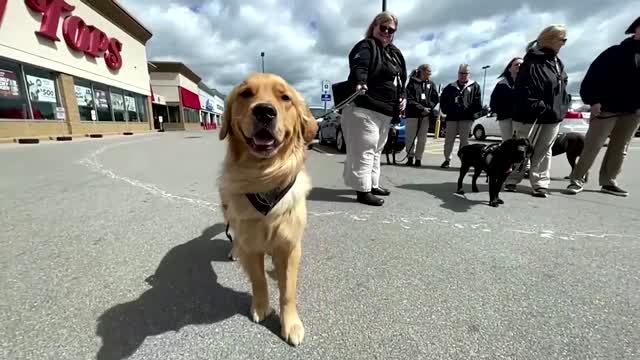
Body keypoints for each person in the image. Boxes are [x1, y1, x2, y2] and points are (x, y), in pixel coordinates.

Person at [565, 17, 640, 197]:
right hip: (606, 108)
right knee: (593, 145)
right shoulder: (614, 52)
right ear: (636, 29)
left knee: (620, 148)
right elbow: (592, 77)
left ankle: (608, 182)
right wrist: (593, 101)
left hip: (633, 112)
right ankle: (577, 179)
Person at [341, 11, 407, 206]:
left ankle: (372, 183)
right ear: (374, 27)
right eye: (383, 28)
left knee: (377, 149)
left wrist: (402, 96)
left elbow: (401, 78)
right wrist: (360, 82)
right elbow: (360, 66)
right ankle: (363, 190)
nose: (386, 32)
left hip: (385, 111)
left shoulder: (394, 53)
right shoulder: (366, 46)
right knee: (365, 150)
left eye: (391, 30)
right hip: (365, 107)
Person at [503, 25, 570, 198]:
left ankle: (540, 183)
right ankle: (512, 178)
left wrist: (563, 106)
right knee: (521, 149)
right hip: (530, 116)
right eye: (563, 40)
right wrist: (540, 107)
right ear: (552, 40)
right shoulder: (532, 61)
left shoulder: (557, 62)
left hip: (553, 116)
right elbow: (523, 90)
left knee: (544, 150)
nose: (564, 44)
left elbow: (562, 87)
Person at [439, 64, 483, 168]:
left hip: (466, 119)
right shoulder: (450, 87)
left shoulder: (475, 86)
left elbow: (478, 104)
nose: (463, 75)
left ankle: (465, 161)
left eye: (465, 73)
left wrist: (471, 112)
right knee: (449, 140)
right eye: (461, 73)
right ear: (458, 73)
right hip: (452, 118)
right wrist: (450, 107)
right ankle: (447, 159)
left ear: (469, 74)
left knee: (465, 142)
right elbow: (443, 102)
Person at [404, 64, 439, 167]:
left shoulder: (431, 84)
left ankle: (418, 158)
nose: (430, 74)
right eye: (428, 72)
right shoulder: (411, 83)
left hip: (425, 116)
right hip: (413, 115)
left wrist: (428, 108)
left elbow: (435, 98)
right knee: (410, 138)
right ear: (422, 72)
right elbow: (409, 99)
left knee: (422, 139)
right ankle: (410, 157)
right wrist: (421, 108)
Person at [489, 57, 524, 140]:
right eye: (516, 64)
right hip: (505, 118)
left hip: (521, 118)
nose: (519, 66)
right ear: (509, 68)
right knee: (506, 142)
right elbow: (493, 100)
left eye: (521, 65)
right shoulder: (501, 84)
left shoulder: (527, 83)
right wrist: (498, 111)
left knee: (519, 142)